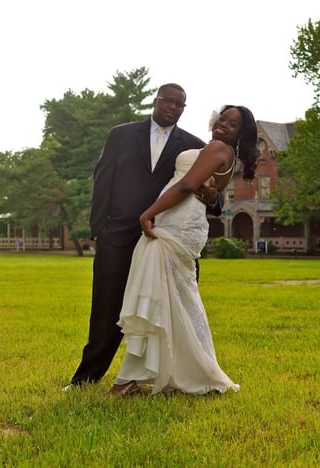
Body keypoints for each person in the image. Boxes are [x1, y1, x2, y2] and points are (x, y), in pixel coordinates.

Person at [66, 83, 220, 388]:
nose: (172, 107)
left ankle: (163, 377)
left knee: (167, 310)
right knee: (105, 309)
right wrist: (100, 231)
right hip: (118, 235)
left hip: (163, 240)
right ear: (155, 100)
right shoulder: (120, 135)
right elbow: (103, 180)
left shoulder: (194, 146)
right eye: (168, 101)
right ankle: (85, 379)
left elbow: (213, 199)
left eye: (179, 105)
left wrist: (213, 197)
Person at [109, 105, 259, 396]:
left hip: (177, 222)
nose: (222, 125)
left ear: (240, 133)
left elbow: (187, 184)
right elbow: (207, 192)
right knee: (170, 297)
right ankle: (168, 371)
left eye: (232, 124)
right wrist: (205, 192)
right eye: (222, 119)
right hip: (183, 220)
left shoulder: (218, 148)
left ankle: (130, 378)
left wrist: (146, 214)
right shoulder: (223, 153)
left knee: (156, 294)